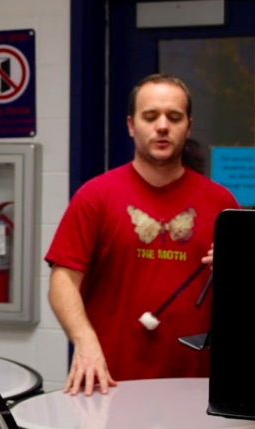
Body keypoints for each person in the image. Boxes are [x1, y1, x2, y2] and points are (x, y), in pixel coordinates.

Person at [46, 73, 237, 396]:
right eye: (150, 116)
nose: (162, 126)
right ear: (131, 125)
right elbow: (62, 281)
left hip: (197, 387)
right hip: (108, 384)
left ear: (188, 127)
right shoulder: (96, 196)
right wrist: (84, 340)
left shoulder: (221, 203)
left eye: (174, 117)